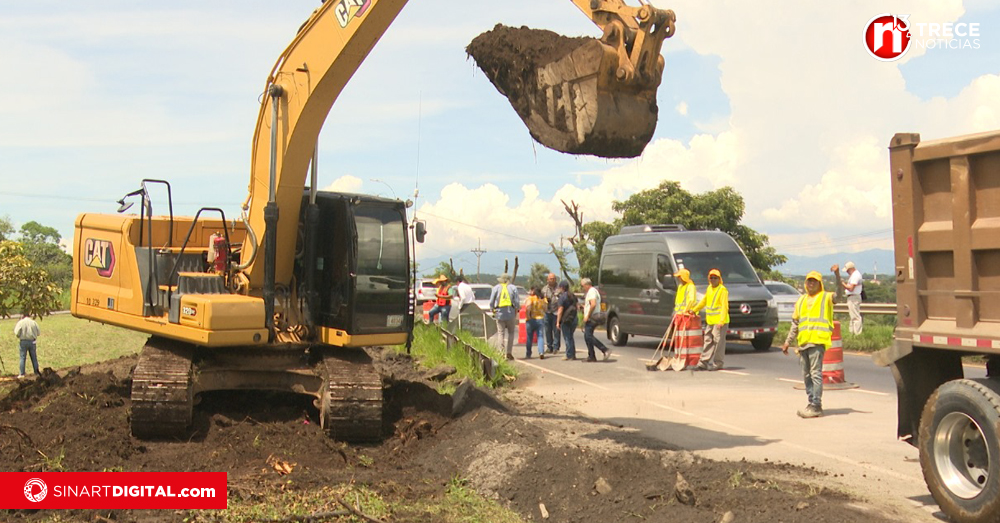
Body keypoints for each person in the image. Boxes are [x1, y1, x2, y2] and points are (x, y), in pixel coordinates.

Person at [781, 271, 834, 418]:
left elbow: (840, 296)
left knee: (816, 374)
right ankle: (811, 402)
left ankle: (816, 405)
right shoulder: (801, 300)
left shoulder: (825, 297)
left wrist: (836, 274)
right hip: (803, 343)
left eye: (814, 281)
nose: (811, 284)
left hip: (817, 341)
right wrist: (787, 342)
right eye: (809, 281)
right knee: (806, 375)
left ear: (819, 283)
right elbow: (795, 324)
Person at [691, 269, 729, 371]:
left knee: (718, 343)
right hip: (710, 321)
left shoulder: (722, 290)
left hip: (720, 322)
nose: (713, 280)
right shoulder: (709, 288)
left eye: (715, 278)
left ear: (719, 279)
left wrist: (721, 321)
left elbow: (725, 307)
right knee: (708, 341)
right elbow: (704, 301)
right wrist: (694, 310)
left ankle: (718, 363)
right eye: (711, 278)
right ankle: (703, 363)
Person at [489, 273, 520, 360]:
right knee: (511, 333)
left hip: (499, 313)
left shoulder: (496, 288)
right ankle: (509, 352)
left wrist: (492, 309)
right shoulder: (513, 288)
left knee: (501, 333)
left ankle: (501, 353)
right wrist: (516, 310)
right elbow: (517, 302)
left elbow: (491, 301)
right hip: (510, 312)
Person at [581, 278, 611, 362]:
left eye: (583, 286)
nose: (583, 288)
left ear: (587, 285)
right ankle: (591, 356)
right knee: (587, 336)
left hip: (592, 317)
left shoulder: (591, 291)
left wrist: (587, 315)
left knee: (588, 336)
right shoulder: (593, 291)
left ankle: (604, 349)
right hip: (593, 315)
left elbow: (593, 304)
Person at [833, 262, 863, 335]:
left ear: (851, 269)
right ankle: (852, 332)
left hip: (853, 297)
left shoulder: (855, 275)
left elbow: (851, 288)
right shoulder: (854, 275)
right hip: (852, 297)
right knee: (853, 316)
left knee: (855, 316)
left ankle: (857, 333)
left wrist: (842, 284)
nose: (847, 272)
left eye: (847, 270)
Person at [555, 280, 579, 360]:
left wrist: (558, 322)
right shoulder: (573, 295)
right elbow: (577, 306)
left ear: (562, 288)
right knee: (570, 336)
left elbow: (560, 310)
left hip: (566, 320)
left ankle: (569, 355)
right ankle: (573, 354)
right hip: (574, 318)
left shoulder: (562, 297)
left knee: (567, 337)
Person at [13, 313, 41, 379]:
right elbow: (38, 333)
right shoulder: (34, 322)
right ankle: (36, 372)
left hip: (23, 341)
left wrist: (20, 336)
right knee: (34, 357)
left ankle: (22, 373)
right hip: (32, 341)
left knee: (22, 357)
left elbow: (16, 333)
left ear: (23, 315)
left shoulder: (20, 322)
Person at [523, 287, 547, 359]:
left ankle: (528, 353)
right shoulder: (543, 299)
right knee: (540, 336)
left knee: (529, 337)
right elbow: (545, 308)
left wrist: (528, 316)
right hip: (540, 319)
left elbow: (528, 307)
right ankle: (541, 352)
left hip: (531, 319)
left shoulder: (530, 298)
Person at [542, 273, 562, 354]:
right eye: (550, 278)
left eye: (553, 278)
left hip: (556, 312)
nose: (552, 280)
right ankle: (549, 347)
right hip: (547, 312)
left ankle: (556, 347)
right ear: (547, 279)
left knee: (556, 330)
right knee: (547, 330)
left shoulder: (559, 289)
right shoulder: (544, 289)